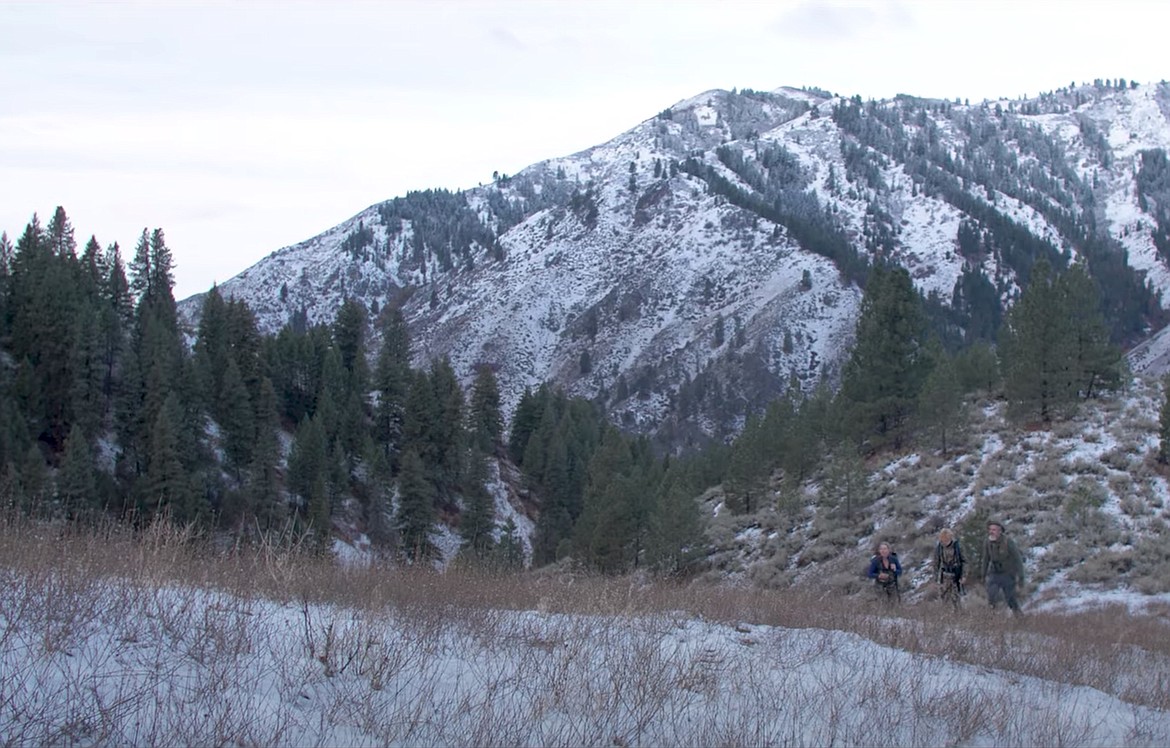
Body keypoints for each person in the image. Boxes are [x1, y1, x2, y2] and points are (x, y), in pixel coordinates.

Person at [981, 519, 1025, 615]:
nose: (991, 532)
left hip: (1008, 573)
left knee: (1010, 598)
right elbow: (985, 559)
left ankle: (1019, 617)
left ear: (1000, 531)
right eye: (990, 529)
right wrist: (983, 575)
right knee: (991, 595)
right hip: (994, 572)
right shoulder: (987, 542)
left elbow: (1018, 559)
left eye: (994, 529)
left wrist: (1021, 577)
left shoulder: (1008, 542)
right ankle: (992, 618)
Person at [934, 528, 966, 609]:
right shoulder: (939, 548)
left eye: (946, 540)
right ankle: (946, 618)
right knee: (944, 600)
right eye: (943, 540)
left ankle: (958, 617)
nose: (944, 542)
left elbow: (965, 561)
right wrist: (936, 579)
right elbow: (936, 563)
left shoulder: (957, 547)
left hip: (956, 576)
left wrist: (964, 575)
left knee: (956, 600)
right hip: (944, 576)